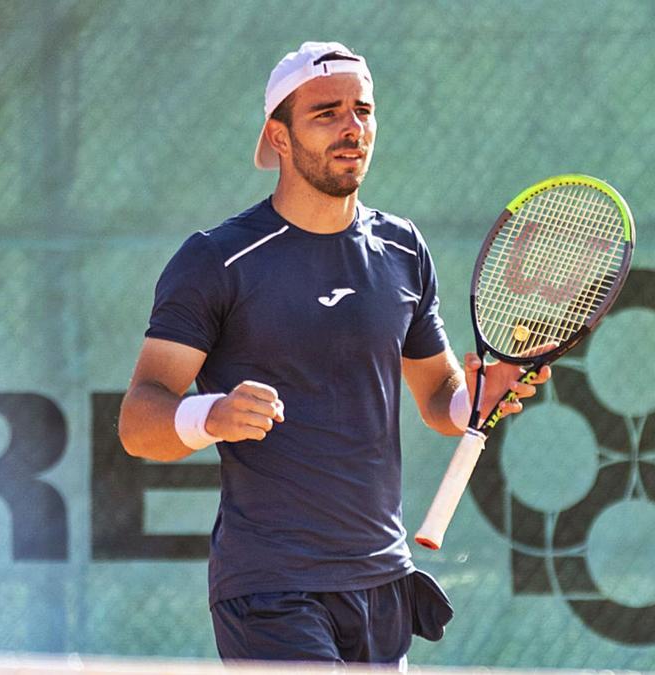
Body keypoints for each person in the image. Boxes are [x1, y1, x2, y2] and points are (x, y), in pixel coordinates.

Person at [117, 41, 550, 667]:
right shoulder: (215, 261)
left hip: (382, 582)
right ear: (280, 136)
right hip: (270, 588)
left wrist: (482, 394)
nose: (353, 128)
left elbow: (438, 398)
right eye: (326, 113)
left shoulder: (403, 250)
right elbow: (139, 421)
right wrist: (209, 416)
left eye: (363, 110)